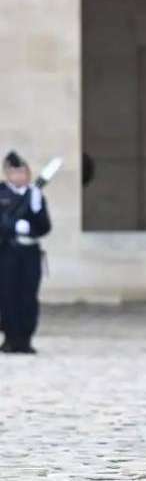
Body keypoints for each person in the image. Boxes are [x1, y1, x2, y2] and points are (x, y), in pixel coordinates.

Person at [0, 151, 51, 354]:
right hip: (8, 251)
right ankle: (11, 338)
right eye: (15, 172)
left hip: (30, 251)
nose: (20, 176)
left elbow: (45, 227)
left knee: (28, 295)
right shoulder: (1, 193)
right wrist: (15, 225)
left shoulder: (34, 194)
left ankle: (25, 338)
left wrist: (37, 209)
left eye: (23, 171)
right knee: (8, 295)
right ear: (7, 173)